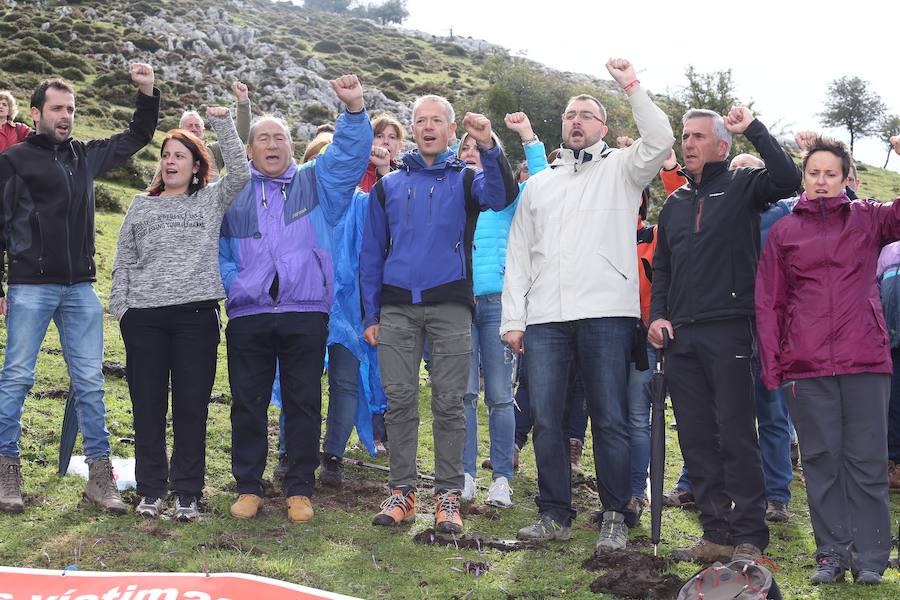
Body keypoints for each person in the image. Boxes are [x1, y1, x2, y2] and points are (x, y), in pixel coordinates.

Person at [502, 58, 675, 550]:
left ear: (602, 126)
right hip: (547, 320)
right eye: (569, 115)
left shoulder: (623, 169)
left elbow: (661, 140)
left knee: (610, 417)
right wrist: (515, 318)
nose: (576, 121)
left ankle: (616, 513)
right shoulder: (540, 184)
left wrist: (631, 86)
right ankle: (553, 513)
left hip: (607, 314)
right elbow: (518, 255)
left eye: (586, 115)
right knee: (548, 420)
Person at [0, 65, 160, 515]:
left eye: (71, 108)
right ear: (36, 113)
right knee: (17, 378)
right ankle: (7, 470)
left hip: (81, 290)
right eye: (57, 108)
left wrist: (147, 92)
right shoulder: (12, 162)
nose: (65, 116)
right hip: (30, 286)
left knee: (90, 383)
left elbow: (139, 134)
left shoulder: (85, 156)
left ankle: (99, 478)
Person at [648, 106, 801, 563]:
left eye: (698, 136)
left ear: (721, 145)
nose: (689, 144)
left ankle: (750, 535)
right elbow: (663, 268)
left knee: (736, 434)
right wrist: (657, 316)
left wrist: (752, 128)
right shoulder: (674, 204)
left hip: (731, 330)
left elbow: (789, 178)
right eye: (685, 136)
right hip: (681, 338)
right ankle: (716, 532)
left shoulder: (742, 187)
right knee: (695, 438)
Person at [361, 95, 518, 534]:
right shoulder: (388, 186)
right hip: (396, 308)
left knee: (450, 405)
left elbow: (503, 194)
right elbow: (371, 253)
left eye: (437, 121)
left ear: (451, 131)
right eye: (420, 120)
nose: (428, 127)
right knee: (400, 403)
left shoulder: (468, 179)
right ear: (413, 129)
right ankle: (402, 494)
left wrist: (490, 146)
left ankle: (448, 498)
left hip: (451, 307)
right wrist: (370, 313)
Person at [219, 75, 372, 524]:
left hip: (306, 312)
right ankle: (248, 486)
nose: (272, 144)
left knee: (304, 401)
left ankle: (300, 489)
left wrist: (354, 111)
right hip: (249, 313)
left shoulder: (314, 184)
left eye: (280, 137)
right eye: (263, 137)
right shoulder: (234, 193)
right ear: (249, 150)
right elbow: (222, 252)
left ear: (291, 145)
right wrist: (236, 282)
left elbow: (347, 157)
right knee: (247, 402)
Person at [756, 135, 900, 586]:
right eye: (814, 173)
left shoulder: (868, 220)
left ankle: (873, 556)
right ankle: (831, 555)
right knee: (820, 460)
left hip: (865, 361)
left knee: (867, 461)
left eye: (830, 174)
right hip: (806, 365)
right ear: (805, 176)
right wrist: (772, 364)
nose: (821, 181)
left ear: (845, 178)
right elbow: (769, 302)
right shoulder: (783, 231)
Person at [109, 106, 250, 521]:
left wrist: (224, 122)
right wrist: (123, 311)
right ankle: (151, 491)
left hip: (195, 317)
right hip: (145, 320)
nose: (170, 161)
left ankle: (187, 493)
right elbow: (123, 260)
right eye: (166, 154)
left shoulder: (210, 200)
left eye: (179, 156)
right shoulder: (140, 205)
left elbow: (240, 172)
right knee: (147, 406)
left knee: (191, 407)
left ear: (194, 167)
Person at [458, 112, 549, 508]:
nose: (472, 152)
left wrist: (528, 136)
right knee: (463, 394)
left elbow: (545, 183)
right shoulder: (454, 192)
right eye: (465, 147)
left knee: (498, 394)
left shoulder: (508, 196)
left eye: (479, 147)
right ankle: (463, 475)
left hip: (497, 303)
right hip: (459, 303)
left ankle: (501, 478)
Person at [318, 113, 404, 487]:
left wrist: (385, 171)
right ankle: (290, 453)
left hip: (349, 310)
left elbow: (393, 215)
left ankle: (332, 456)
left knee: (345, 380)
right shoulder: (306, 202)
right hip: (304, 303)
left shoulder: (362, 202)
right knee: (299, 382)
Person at [177, 81, 251, 179]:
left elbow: (239, 138)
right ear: (180, 130)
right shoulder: (171, 154)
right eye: (189, 125)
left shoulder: (213, 151)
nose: (194, 129)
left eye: (197, 126)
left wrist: (243, 101)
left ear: (203, 131)